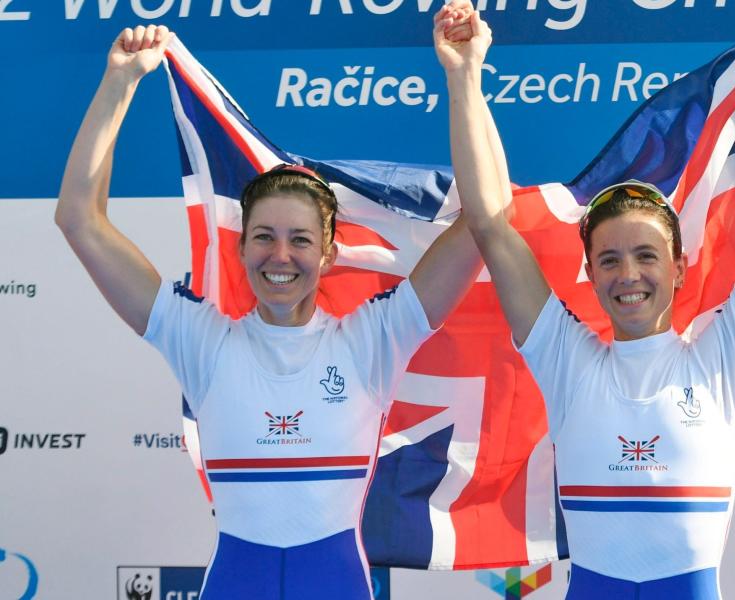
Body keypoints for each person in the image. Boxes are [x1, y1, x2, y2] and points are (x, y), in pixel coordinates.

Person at [56, 17, 504, 599]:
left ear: (329, 252)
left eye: (300, 240)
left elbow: (484, 220)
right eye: (264, 236)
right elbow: (79, 221)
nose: (280, 256)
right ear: (240, 247)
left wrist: (465, 76)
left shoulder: (372, 339)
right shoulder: (200, 339)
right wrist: (118, 83)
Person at [437, 3, 735, 598]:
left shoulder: (724, 356)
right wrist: (464, 74)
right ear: (590, 273)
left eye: (646, 257)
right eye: (611, 260)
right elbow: (492, 224)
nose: (629, 275)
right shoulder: (567, 360)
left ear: (678, 269)